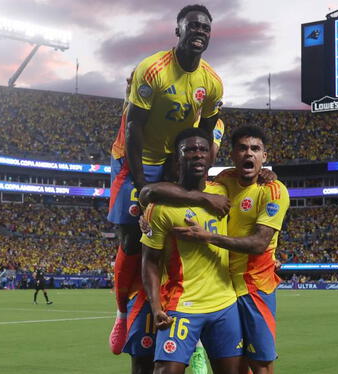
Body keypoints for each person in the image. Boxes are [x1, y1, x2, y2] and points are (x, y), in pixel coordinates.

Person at [106, 3, 224, 357]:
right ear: (179, 31)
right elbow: (134, 127)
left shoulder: (212, 82)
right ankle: (122, 312)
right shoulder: (152, 69)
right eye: (193, 26)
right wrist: (142, 183)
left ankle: (187, 307)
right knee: (130, 238)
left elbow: (206, 128)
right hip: (134, 157)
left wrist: (185, 164)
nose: (199, 31)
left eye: (205, 26)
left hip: (174, 158)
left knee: (176, 233)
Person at [172, 126, 289, 374]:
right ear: (233, 154)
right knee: (235, 363)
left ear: (264, 157)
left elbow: (259, 244)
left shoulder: (273, 191)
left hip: (255, 287)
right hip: (223, 289)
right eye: (243, 148)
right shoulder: (224, 179)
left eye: (256, 149)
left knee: (261, 363)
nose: (249, 154)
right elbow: (190, 189)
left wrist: (209, 237)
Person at [140, 128, 242, 374]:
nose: (197, 155)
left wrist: (267, 174)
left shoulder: (223, 190)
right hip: (182, 305)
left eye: (203, 149)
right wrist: (156, 307)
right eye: (190, 150)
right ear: (178, 158)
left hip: (224, 304)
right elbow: (150, 262)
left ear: (211, 157)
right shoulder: (160, 206)